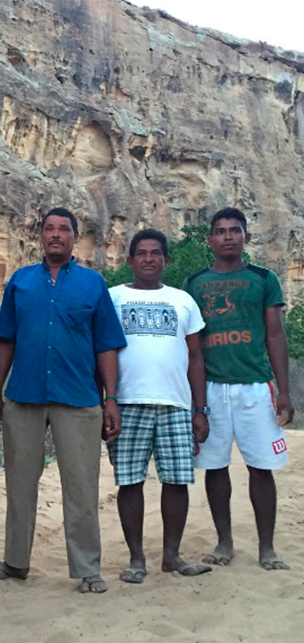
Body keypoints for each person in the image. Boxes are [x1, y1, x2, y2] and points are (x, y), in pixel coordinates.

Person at [0, 207, 126, 593]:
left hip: (79, 397)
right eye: (49, 228)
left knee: (81, 485)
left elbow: (107, 346)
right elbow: (7, 339)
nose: (56, 235)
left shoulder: (92, 284)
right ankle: (15, 563)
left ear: (75, 237)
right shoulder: (20, 282)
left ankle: (87, 569)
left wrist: (110, 399)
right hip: (23, 395)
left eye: (64, 229)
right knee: (19, 483)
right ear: (41, 236)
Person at [183, 207, 294, 570]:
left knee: (261, 467)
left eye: (235, 230)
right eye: (220, 231)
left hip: (254, 387)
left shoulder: (263, 279)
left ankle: (267, 547)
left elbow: (275, 334)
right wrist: (194, 400)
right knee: (215, 467)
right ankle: (224, 542)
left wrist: (284, 390)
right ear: (210, 239)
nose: (228, 236)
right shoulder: (195, 283)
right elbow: (191, 345)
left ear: (245, 236)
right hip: (211, 389)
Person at [108, 229, 211, 584]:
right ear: (129, 261)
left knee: (177, 480)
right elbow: (101, 352)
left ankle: (172, 556)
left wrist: (200, 408)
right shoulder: (113, 297)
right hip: (127, 402)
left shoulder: (183, 300)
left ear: (166, 260)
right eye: (141, 253)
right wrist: (106, 401)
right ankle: (137, 560)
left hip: (176, 404)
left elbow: (195, 357)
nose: (149, 259)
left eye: (155, 253)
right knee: (130, 481)